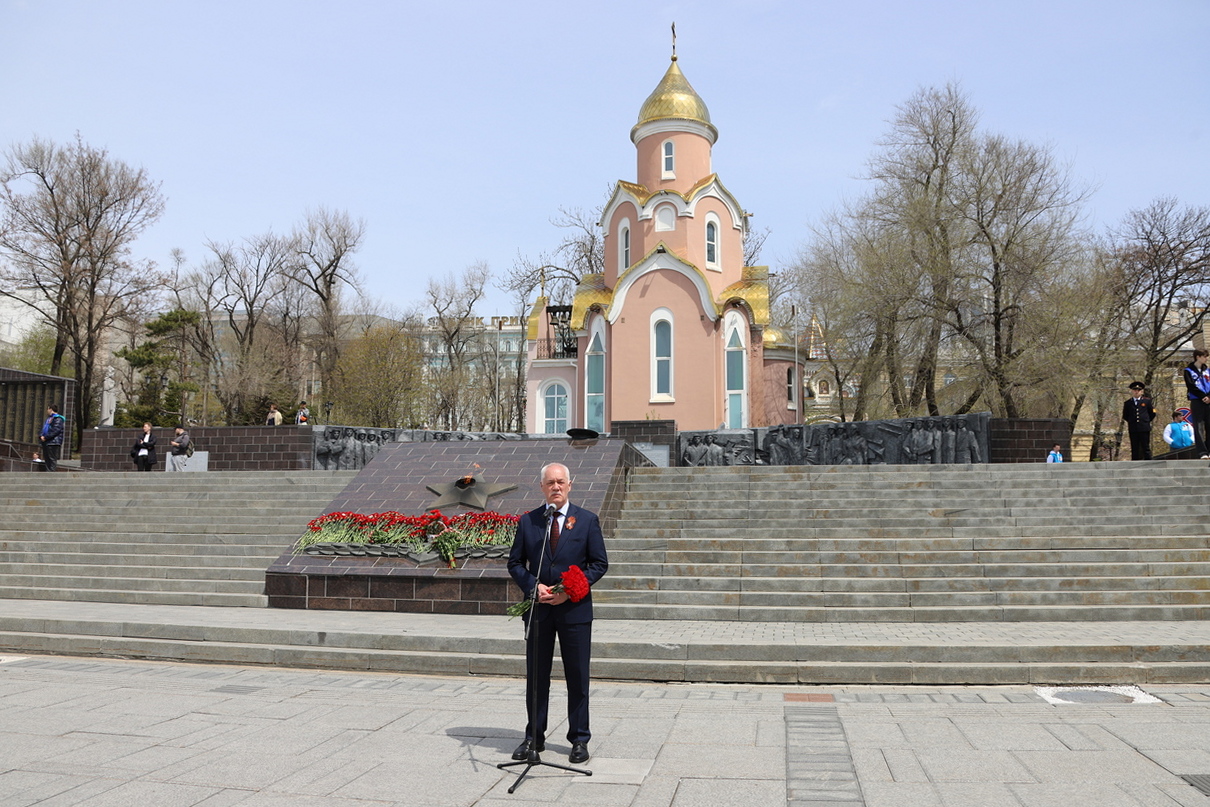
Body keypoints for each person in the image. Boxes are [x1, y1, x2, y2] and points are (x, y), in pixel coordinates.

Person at [507, 462, 609, 765]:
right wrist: (533, 586)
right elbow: (515, 563)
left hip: (574, 611)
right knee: (537, 677)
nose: (556, 487)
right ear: (542, 487)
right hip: (539, 611)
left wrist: (569, 591)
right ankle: (534, 737)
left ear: (569, 485)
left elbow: (599, 564)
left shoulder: (587, 520)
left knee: (577, 676)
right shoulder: (529, 521)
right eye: (550, 482)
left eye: (561, 482)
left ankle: (579, 738)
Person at [1183, 349, 1210, 459]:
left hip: (1209, 400)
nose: (1206, 358)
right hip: (1197, 400)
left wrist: (1209, 396)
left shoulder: (1207, 370)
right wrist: (1202, 396)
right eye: (1204, 356)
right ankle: (1202, 452)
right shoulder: (1188, 371)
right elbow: (1191, 386)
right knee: (1198, 427)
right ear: (1198, 357)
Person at [1121, 381, 1156, 461]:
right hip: (1133, 428)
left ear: (1141, 391)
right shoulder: (1128, 403)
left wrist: (1146, 421)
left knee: (1145, 446)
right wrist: (1132, 421)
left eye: (1138, 390)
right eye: (1135, 390)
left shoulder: (1147, 401)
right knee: (1134, 447)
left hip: (1144, 427)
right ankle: (1135, 461)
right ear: (1132, 391)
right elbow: (1125, 415)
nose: (1136, 392)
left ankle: (1148, 461)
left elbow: (1153, 413)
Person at [39, 404, 65, 472]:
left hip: (53, 442)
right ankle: (48, 471)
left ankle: (51, 472)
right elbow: (44, 429)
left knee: (52, 458)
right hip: (46, 441)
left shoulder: (58, 419)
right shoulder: (49, 419)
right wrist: (41, 436)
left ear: (51, 409)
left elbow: (55, 430)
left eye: (48, 409)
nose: (47, 411)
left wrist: (46, 437)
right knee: (47, 458)